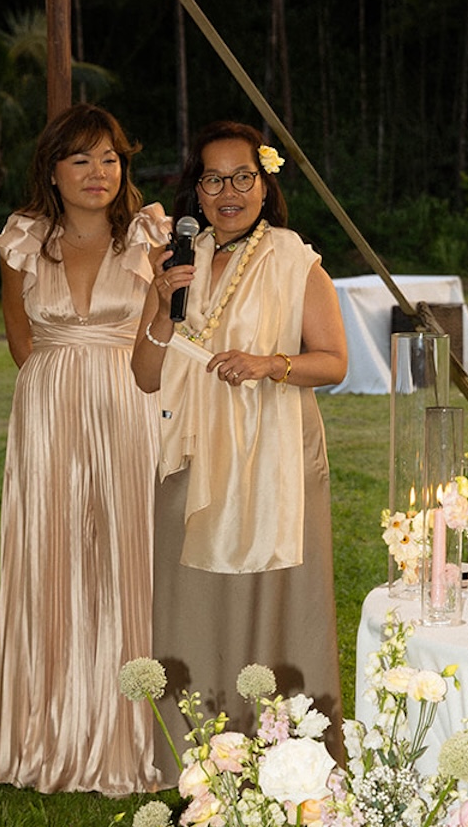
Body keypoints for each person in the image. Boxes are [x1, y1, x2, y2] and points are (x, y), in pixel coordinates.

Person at [133, 121, 348, 772]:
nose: (228, 192)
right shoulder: (173, 263)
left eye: (242, 177)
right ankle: (195, 758)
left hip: (276, 454)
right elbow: (145, 374)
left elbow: (333, 362)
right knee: (191, 600)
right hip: (191, 455)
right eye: (213, 178)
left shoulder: (295, 260)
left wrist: (269, 364)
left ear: (264, 183)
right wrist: (159, 304)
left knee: (278, 599)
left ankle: (287, 758)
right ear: (195, 189)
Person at [0, 104, 168, 795]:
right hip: (49, 413)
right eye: (81, 159)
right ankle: (46, 738)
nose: (99, 172)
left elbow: (167, 326)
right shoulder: (23, 240)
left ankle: (136, 739)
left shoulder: (151, 236)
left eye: (110, 158)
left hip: (132, 404)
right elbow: (20, 339)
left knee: (132, 557)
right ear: (53, 171)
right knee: (52, 559)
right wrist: (62, 389)